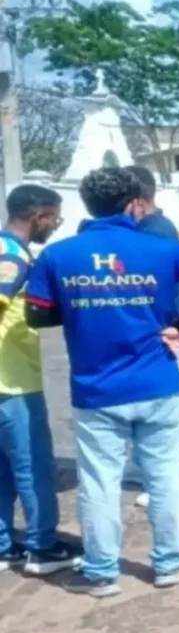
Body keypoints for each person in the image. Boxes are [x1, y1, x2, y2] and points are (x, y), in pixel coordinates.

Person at [24, 167, 179, 597]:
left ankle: (102, 573)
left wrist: (84, 307)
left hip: (96, 390)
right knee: (167, 476)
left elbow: (37, 314)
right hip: (158, 384)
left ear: (87, 204)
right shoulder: (160, 249)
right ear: (132, 203)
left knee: (100, 482)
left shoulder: (59, 256)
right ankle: (168, 566)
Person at [0, 185, 82, 577]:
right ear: (39, 216)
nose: (55, 226)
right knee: (33, 466)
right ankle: (42, 547)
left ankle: (3, 546)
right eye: (55, 218)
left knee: (2, 469)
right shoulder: (12, 258)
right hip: (12, 383)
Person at [121, 165, 179, 508]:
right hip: (162, 327)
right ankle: (152, 468)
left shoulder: (155, 233)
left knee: (169, 406)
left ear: (136, 202)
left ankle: (176, 473)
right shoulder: (152, 229)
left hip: (163, 330)